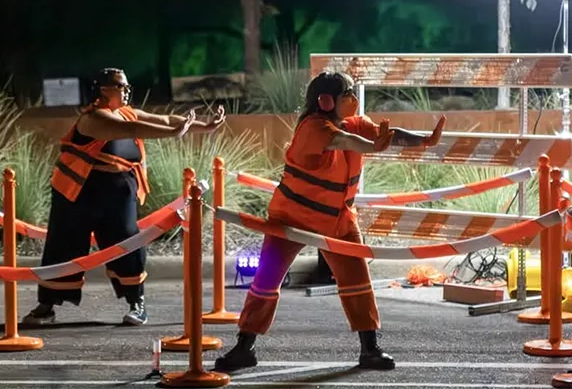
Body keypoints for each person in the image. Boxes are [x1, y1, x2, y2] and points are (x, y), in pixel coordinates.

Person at [214, 71, 445, 372]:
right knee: (266, 280)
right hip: (290, 218)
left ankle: (370, 349)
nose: (352, 98)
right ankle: (245, 347)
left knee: (358, 281)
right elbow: (347, 141)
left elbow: (385, 134)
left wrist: (425, 140)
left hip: (337, 220)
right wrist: (373, 147)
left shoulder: (353, 123)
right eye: (346, 93)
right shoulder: (314, 128)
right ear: (325, 101)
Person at [22, 67, 227, 326]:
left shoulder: (127, 112)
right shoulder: (93, 118)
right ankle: (46, 306)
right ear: (103, 89)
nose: (127, 90)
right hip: (80, 190)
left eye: (127, 86)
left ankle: (136, 302)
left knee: (127, 242)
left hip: (119, 190)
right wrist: (175, 133)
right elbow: (130, 128)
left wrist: (204, 127)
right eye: (121, 86)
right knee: (64, 245)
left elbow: (163, 120)